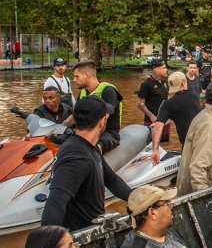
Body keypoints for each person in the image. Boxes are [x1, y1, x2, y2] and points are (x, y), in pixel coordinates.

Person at [41, 96, 132, 231]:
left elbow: (111, 179)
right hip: (80, 237)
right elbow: (55, 203)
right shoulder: (77, 157)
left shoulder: (89, 147)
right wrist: (51, 244)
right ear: (102, 121)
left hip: (94, 228)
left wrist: (136, 198)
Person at [67, 61, 123, 154]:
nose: (74, 80)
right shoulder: (82, 93)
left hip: (108, 134)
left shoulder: (107, 90)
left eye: (77, 76)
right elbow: (74, 115)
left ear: (87, 75)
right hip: (85, 133)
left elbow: (105, 115)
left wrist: (87, 136)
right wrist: (61, 127)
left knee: (92, 148)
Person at [150, 72, 202, 165]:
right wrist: (162, 122)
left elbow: (158, 128)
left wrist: (155, 150)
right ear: (183, 83)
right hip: (204, 140)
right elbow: (184, 113)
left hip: (188, 146)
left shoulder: (167, 104)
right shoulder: (194, 95)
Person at [137, 58, 170, 142]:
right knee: (151, 144)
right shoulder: (146, 84)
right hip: (152, 120)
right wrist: (151, 116)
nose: (166, 70)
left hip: (165, 120)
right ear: (156, 69)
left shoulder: (165, 81)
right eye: (164, 68)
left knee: (165, 144)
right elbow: (139, 103)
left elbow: (167, 98)